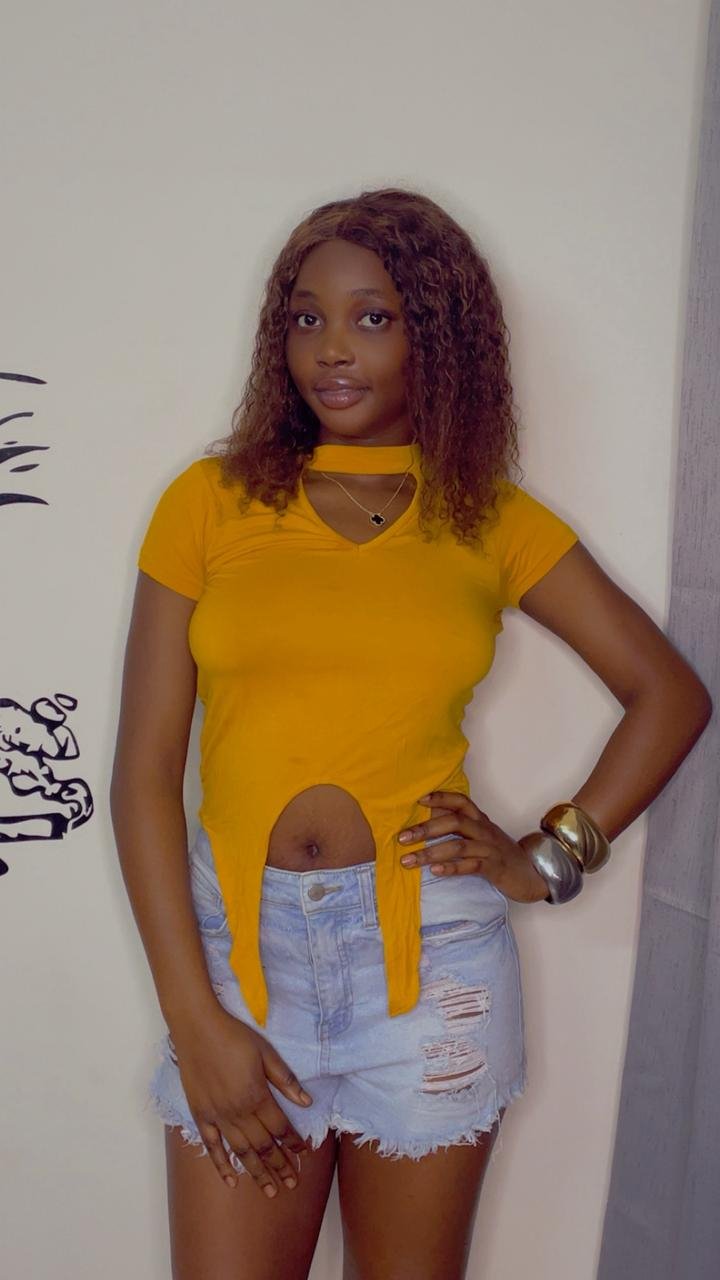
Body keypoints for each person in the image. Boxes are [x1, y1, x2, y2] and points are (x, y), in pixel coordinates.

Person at [110, 187, 712, 1280]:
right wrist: (194, 1018)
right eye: (306, 317)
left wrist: (546, 859)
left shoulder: (489, 517)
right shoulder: (208, 503)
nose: (332, 349)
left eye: (373, 317)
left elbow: (668, 693)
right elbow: (145, 776)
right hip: (240, 964)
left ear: (436, 335)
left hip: (435, 969)